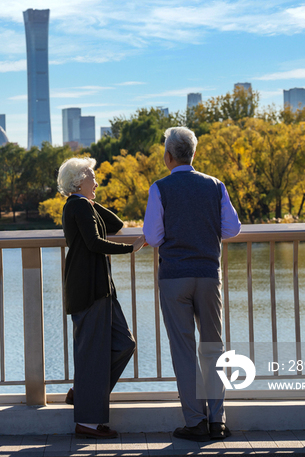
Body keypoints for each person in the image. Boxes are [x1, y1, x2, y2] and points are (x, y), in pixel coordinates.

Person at [143, 127, 241, 442]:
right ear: (193, 154)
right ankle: (217, 421)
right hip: (209, 275)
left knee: (184, 351)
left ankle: (195, 421)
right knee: (213, 347)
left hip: (174, 278)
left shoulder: (160, 188)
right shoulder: (215, 185)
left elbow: (153, 237)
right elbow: (232, 228)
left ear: (168, 156)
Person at [58, 156, 146, 439]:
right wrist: (130, 250)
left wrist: (91, 199)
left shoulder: (84, 205)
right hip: (88, 288)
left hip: (102, 288)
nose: (96, 182)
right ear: (78, 181)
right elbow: (95, 243)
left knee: (124, 343)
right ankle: (87, 422)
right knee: (92, 352)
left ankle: (83, 393)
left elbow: (116, 223)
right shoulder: (76, 206)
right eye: (91, 177)